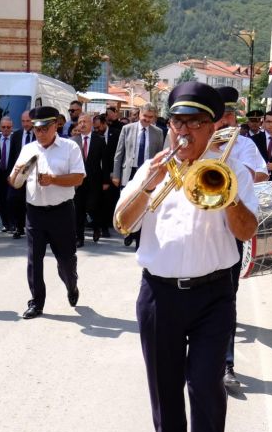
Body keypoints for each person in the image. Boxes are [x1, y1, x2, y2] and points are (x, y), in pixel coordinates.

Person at [113, 82, 259, 432]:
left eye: (195, 123)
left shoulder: (233, 169)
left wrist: (226, 195)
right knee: (163, 379)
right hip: (158, 293)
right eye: (177, 122)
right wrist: (148, 185)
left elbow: (247, 231)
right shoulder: (152, 168)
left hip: (213, 293)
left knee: (206, 383)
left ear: (214, 127)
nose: (184, 131)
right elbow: (122, 222)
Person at [9, 105, 85, 319]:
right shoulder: (28, 149)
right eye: (36, 129)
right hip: (35, 213)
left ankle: (71, 284)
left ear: (55, 126)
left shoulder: (70, 147)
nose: (40, 134)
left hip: (61, 213)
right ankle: (36, 302)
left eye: (44, 129)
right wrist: (16, 175)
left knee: (66, 260)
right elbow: (14, 182)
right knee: (34, 260)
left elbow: (79, 178)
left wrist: (53, 180)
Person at [216, 101, 267, 394]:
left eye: (228, 115)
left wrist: (229, 168)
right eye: (219, 116)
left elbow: (259, 174)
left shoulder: (245, 145)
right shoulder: (194, 145)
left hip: (231, 230)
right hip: (200, 233)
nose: (224, 121)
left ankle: (226, 364)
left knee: (226, 300)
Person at [113, 105, 164, 248]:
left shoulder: (158, 132)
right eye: (145, 116)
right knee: (128, 202)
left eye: (150, 117)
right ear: (140, 114)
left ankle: (139, 237)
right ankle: (128, 231)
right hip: (129, 171)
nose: (147, 119)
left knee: (143, 204)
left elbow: (159, 155)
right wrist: (116, 175)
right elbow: (119, 153)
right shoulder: (127, 129)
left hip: (147, 173)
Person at [72, 113, 111, 245]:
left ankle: (96, 228)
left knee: (93, 207)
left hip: (95, 180)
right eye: (80, 122)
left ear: (91, 124)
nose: (82, 124)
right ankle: (79, 238)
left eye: (85, 122)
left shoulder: (99, 139)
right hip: (78, 181)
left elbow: (105, 162)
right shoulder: (73, 141)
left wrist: (106, 181)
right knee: (78, 209)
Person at [0, 115, 21, 233]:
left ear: (12, 127)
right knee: (1, 200)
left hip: (11, 173)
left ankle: (13, 223)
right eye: (3, 127)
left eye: (8, 127)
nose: (5, 129)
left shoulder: (15, 139)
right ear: (0, 127)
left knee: (11, 199)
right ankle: (5, 224)